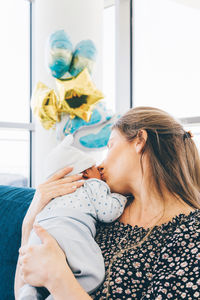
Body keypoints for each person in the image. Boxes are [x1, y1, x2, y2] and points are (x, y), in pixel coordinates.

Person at [15, 106, 200, 300]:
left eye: (110, 146)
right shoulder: (100, 211)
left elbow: (53, 276)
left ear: (140, 141)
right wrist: (30, 222)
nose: (101, 165)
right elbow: (25, 287)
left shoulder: (191, 232)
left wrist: (58, 278)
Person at [17, 135, 127, 300]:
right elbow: (108, 212)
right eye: (95, 167)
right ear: (85, 173)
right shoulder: (93, 184)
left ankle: (29, 294)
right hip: (67, 230)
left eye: (110, 146)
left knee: (31, 282)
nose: (101, 167)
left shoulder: (56, 196)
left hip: (39, 230)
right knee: (91, 275)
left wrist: (29, 226)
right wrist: (120, 197)